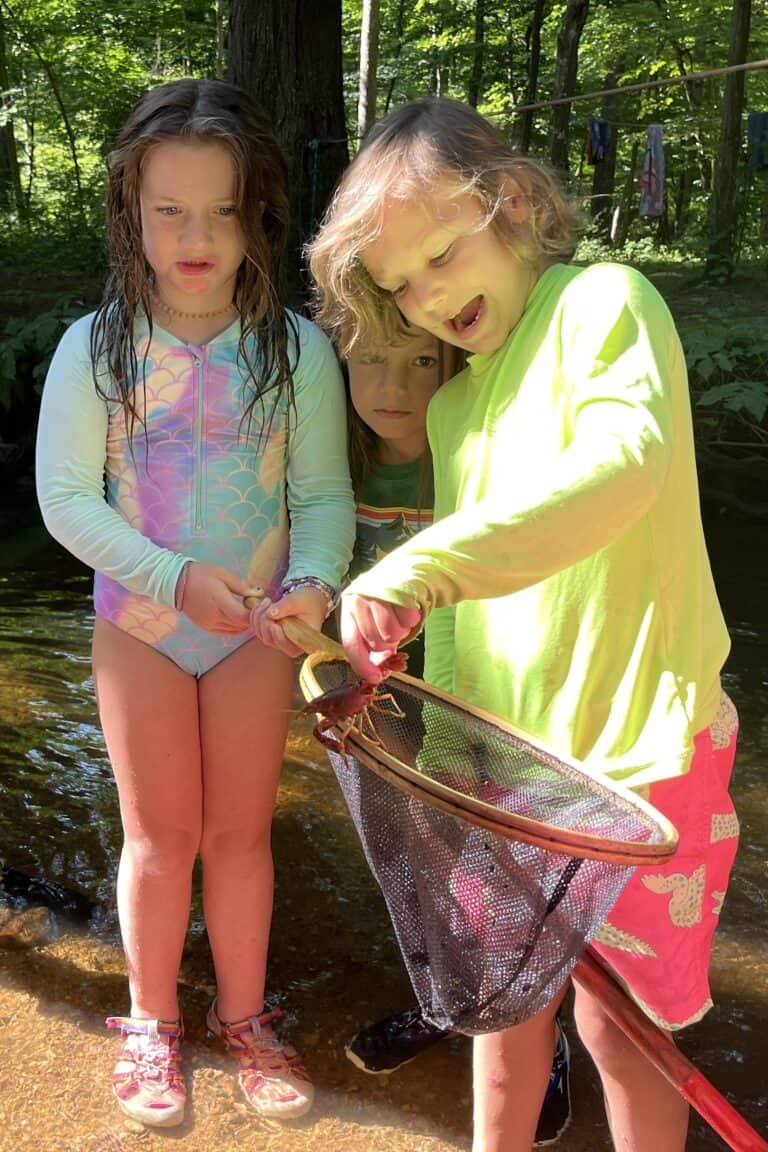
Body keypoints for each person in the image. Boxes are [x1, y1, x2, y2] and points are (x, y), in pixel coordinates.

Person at [305, 98, 739, 1152]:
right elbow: (461, 618)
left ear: (514, 204)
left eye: (443, 255)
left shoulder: (606, 305)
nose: (427, 295)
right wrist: (446, 760)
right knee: (504, 1016)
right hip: (504, 775)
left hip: (639, 760)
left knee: (625, 1025)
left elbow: (620, 468)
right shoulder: (454, 411)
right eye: (401, 283)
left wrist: (418, 567)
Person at [35, 78, 355, 1129]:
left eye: (221, 210)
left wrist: (313, 583)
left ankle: (248, 1016)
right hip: (142, 626)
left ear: (257, 213)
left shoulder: (296, 353)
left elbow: (320, 498)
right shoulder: (97, 348)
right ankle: (151, 1018)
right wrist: (172, 579)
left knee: (241, 836)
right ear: (130, 215)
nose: (196, 234)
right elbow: (66, 499)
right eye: (169, 210)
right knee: (158, 837)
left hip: (259, 629)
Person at [338, 324, 571, 1145]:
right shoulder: (339, 460)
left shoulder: (469, 458)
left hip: (474, 701)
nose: (392, 384)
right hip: (388, 709)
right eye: (370, 359)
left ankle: (540, 1029)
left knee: (499, 871)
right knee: (425, 868)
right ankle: (454, 1002)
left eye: (420, 363)